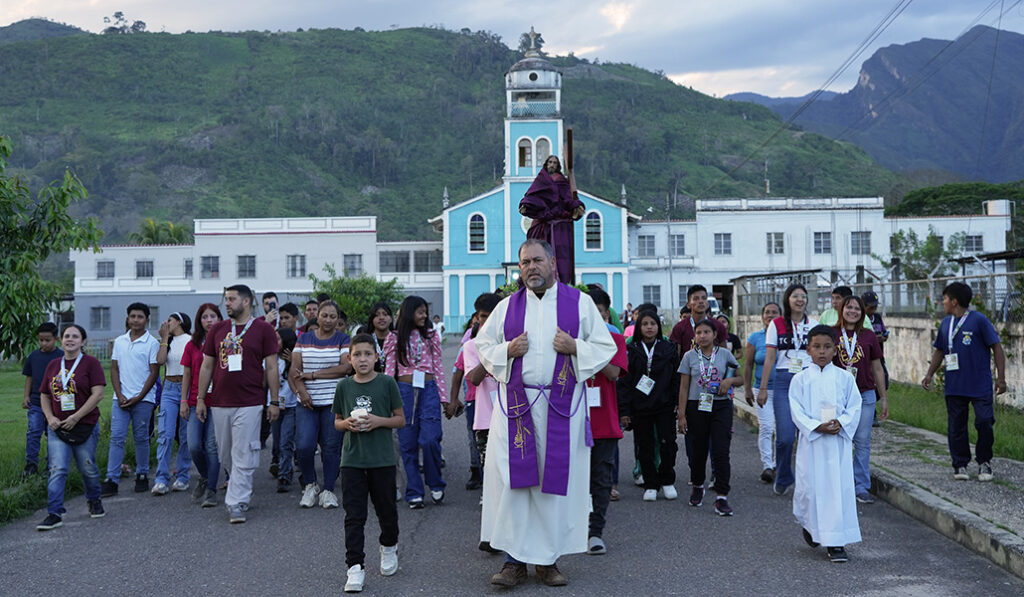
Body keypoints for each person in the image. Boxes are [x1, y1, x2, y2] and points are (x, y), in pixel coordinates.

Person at [475, 239, 615, 587]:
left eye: (538, 260)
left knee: (553, 484)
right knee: (515, 484)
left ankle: (548, 561)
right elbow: (482, 346)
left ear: (553, 263)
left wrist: (575, 347)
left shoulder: (579, 304)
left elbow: (605, 347)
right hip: (516, 410)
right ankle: (514, 562)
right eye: (524, 262)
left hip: (561, 408)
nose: (531, 267)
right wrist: (508, 348)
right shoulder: (507, 307)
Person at [196, 285, 280, 523]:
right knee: (226, 454)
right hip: (220, 401)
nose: (227, 303)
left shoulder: (263, 329)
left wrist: (273, 401)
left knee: (243, 450)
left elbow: (272, 367)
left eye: (232, 299)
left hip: (250, 401)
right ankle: (241, 489)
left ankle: (236, 503)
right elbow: (207, 366)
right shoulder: (218, 330)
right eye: (226, 299)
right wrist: (202, 398)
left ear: (246, 302)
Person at [333, 334, 406, 593]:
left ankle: (389, 547)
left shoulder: (387, 383)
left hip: (382, 460)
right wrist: (347, 425)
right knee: (354, 515)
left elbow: (400, 420)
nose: (362, 359)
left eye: (367, 354)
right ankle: (355, 567)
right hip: (352, 459)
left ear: (377, 357)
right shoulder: (344, 386)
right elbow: (337, 421)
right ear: (349, 359)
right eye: (357, 355)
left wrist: (377, 421)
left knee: (386, 510)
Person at [789, 325, 862, 563]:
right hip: (813, 444)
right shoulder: (800, 380)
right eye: (816, 347)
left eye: (827, 347)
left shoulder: (844, 378)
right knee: (810, 489)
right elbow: (796, 410)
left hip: (837, 445)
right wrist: (814, 426)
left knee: (836, 491)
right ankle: (811, 526)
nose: (821, 351)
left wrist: (841, 423)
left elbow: (854, 406)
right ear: (808, 349)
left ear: (835, 350)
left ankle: (836, 542)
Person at [922, 282, 1007, 481]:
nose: (942, 302)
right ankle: (960, 464)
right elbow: (940, 351)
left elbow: (997, 347)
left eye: (944, 299)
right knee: (956, 426)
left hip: (979, 384)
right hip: (955, 385)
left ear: (954, 301)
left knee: (984, 421)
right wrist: (929, 374)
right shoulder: (945, 324)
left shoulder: (979, 321)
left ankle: (984, 462)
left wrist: (1001, 379)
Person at [36, 324, 107, 531]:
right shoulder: (53, 365)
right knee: (57, 469)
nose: (70, 339)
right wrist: (49, 417)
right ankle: (54, 513)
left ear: (83, 341)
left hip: (84, 424)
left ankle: (94, 499)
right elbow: (44, 395)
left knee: (88, 467)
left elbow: (98, 394)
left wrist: (76, 417)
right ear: (61, 340)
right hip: (58, 427)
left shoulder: (91, 363)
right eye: (67, 336)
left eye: (75, 336)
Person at [385, 295, 448, 508]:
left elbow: (438, 366)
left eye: (425, 312)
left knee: (429, 439)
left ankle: (435, 482)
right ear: (409, 312)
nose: (424, 316)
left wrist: (444, 398)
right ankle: (414, 491)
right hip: (403, 392)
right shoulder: (394, 338)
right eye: (420, 312)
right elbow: (389, 370)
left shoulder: (431, 336)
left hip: (428, 391)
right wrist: (387, 400)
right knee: (407, 444)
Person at [757, 284, 818, 496]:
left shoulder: (814, 324)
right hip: (784, 380)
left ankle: (807, 479)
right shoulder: (777, 324)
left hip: (809, 380)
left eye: (803, 296)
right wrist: (763, 388)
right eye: (795, 296)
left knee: (809, 435)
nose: (800, 299)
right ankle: (783, 476)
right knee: (784, 437)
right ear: (788, 299)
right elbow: (770, 358)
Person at [677, 319, 743, 516]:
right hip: (696, 406)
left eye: (707, 332)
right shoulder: (689, 356)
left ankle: (722, 496)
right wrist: (681, 414)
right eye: (699, 332)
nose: (703, 336)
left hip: (721, 406)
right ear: (694, 336)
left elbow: (739, 378)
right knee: (698, 450)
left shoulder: (724, 354)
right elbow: (683, 387)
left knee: (721, 450)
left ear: (715, 335)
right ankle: (698, 485)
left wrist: (730, 380)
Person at [292, 300, 352, 509]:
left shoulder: (343, 339)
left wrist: (313, 375)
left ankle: (328, 490)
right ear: (317, 317)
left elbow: (345, 368)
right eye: (324, 315)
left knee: (331, 447)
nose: (328, 320)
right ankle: (310, 485)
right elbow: (295, 370)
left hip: (333, 402)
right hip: (306, 402)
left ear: (338, 319)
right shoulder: (304, 338)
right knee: (304, 446)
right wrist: (302, 392)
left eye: (332, 317)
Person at [618, 310, 680, 502]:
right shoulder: (633, 349)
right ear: (639, 327)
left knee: (668, 444)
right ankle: (651, 484)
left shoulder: (668, 348)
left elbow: (676, 378)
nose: (649, 327)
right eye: (645, 324)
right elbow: (625, 382)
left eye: (653, 323)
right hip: (641, 406)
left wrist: (677, 402)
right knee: (644, 446)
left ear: (658, 326)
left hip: (665, 405)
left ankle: (667, 480)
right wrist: (625, 411)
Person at [832, 295, 889, 504]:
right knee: (840, 439)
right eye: (849, 307)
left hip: (864, 393)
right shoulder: (832, 333)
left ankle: (861, 486)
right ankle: (840, 483)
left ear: (862, 313)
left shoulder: (869, 336)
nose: (853, 311)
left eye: (857, 309)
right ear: (842, 309)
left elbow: (877, 368)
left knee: (862, 441)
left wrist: (883, 397)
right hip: (838, 395)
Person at [585, 287, 628, 555]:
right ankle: (573, 528)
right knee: (574, 479)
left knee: (601, 479)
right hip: (571, 421)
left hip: (604, 422)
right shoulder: (565, 339)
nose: (596, 319)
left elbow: (612, 373)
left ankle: (595, 532)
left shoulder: (615, 339)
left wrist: (587, 350)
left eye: (600, 313)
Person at [101, 303, 160, 496]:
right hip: (121, 399)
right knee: (117, 438)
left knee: (141, 437)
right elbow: (115, 369)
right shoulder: (120, 341)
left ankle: (142, 474)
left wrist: (139, 396)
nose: (135, 320)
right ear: (127, 318)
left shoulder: (152, 343)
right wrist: (119, 395)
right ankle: (111, 478)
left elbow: (154, 373)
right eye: (132, 316)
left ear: (147, 320)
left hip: (143, 399)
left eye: (140, 317)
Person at [518, 154, 585, 284]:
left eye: (554, 163)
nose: (552, 165)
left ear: (558, 165)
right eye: (550, 162)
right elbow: (531, 196)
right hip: (543, 223)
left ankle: (560, 281)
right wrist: (525, 206)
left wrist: (577, 206)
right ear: (546, 164)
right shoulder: (541, 180)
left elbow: (568, 199)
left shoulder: (562, 181)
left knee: (560, 254)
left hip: (558, 224)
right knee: (536, 249)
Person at [180, 303, 222, 507]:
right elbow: (186, 373)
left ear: (219, 318)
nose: (209, 320)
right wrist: (183, 400)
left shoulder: (226, 340)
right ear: (199, 321)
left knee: (212, 446)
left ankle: (212, 490)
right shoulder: (192, 344)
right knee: (194, 445)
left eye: (213, 316)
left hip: (220, 401)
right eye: (205, 317)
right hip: (197, 400)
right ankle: (205, 476)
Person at [152, 312, 193, 495]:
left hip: (187, 387)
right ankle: (161, 478)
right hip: (169, 388)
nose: (166, 323)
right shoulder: (167, 342)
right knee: (165, 434)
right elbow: (160, 361)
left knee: (185, 435)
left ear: (179, 322)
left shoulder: (190, 340)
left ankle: (183, 475)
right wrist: (164, 338)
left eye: (170, 320)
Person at [743, 302, 782, 484]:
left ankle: (778, 465)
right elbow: (748, 364)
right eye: (767, 312)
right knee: (767, 427)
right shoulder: (755, 338)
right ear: (762, 316)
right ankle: (767, 465)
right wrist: (748, 388)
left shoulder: (786, 337)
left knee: (781, 430)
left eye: (774, 312)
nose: (770, 315)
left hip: (784, 390)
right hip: (761, 390)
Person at [21, 322, 63, 478]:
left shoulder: (61, 357)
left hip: (55, 406)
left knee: (53, 434)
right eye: (41, 340)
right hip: (36, 403)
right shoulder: (33, 357)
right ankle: (31, 464)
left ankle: (51, 465)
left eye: (47, 340)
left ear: (56, 339)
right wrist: (26, 397)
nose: (44, 343)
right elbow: (29, 378)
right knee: (33, 432)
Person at [274, 328, 299, 493]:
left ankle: (284, 475)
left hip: (291, 407)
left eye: (277, 339)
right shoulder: (271, 360)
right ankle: (286, 468)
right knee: (277, 444)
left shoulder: (295, 359)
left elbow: (299, 378)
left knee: (285, 442)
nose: (274, 342)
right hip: (275, 406)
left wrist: (293, 362)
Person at [668, 285, 728, 355]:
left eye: (704, 298)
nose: (701, 301)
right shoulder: (679, 327)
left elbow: (724, 355)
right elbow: (676, 357)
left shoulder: (718, 326)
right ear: (688, 305)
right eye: (696, 299)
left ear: (708, 303)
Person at [862, 291, 889, 427]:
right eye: (870, 307)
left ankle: (872, 405)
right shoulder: (860, 319)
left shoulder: (877, 318)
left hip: (878, 355)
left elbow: (884, 333)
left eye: (874, 307)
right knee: (869, 384)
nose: (873, 310)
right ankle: (871, 412)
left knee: (884, 382)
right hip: (866, 358)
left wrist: (882, 337)